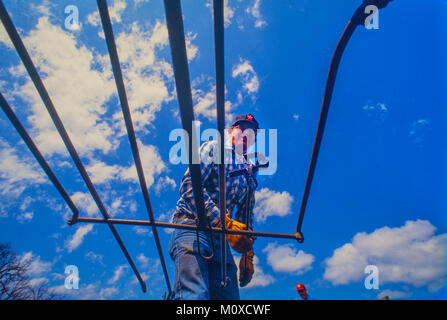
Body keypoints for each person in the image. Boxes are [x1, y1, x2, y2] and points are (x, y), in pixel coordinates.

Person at [169, 114, 260, 300]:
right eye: (241, 128)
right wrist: (224, 222)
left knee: (229, 299)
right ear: (230, 131)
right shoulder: (214, 148)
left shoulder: (249, 172)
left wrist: (247, 253)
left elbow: (245, 216)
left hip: (220, 237)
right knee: (195, 296)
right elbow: (189, 187)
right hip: (192, 225)